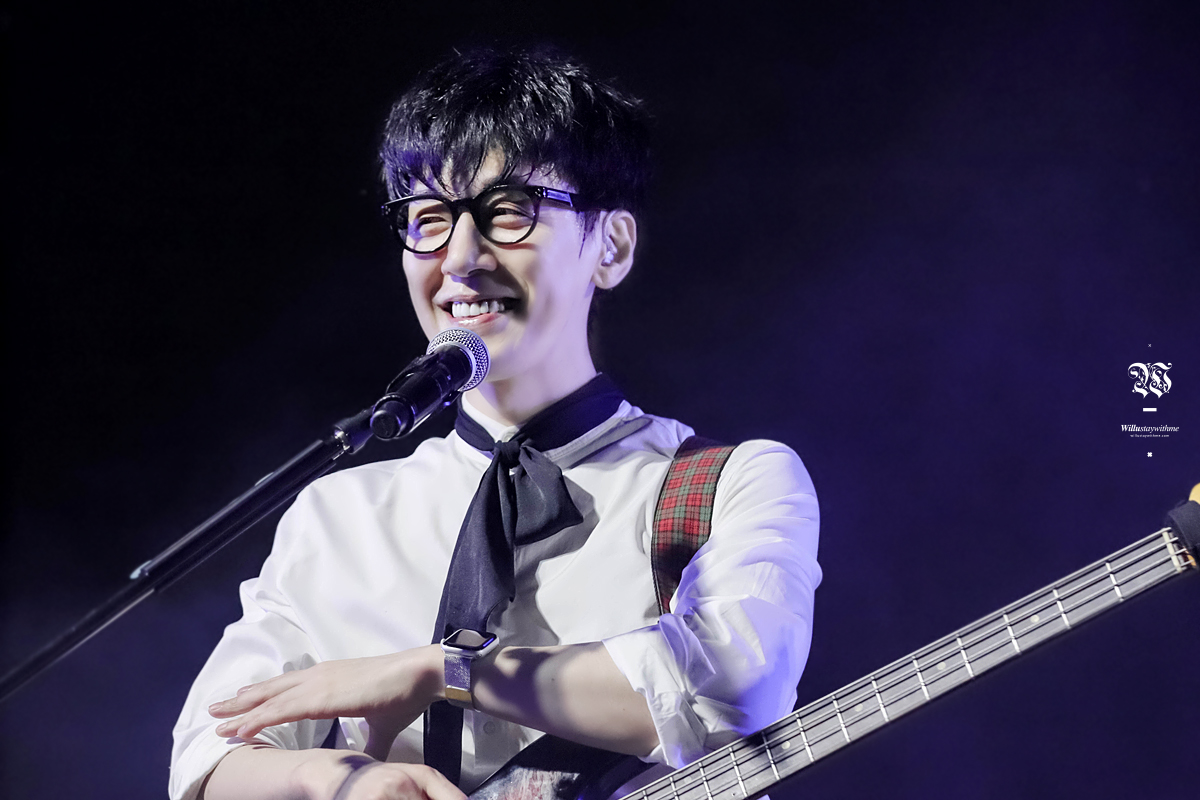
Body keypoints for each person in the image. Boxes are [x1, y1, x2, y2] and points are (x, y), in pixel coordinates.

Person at [169, 46, 821, 800]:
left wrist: (441, 671)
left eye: (508, 211)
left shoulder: (728, 482)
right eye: (428, 219)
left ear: (610, 247)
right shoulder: (340, 514)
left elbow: (735, 683)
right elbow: (208, 759)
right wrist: (336, 780)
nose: (460, 257)